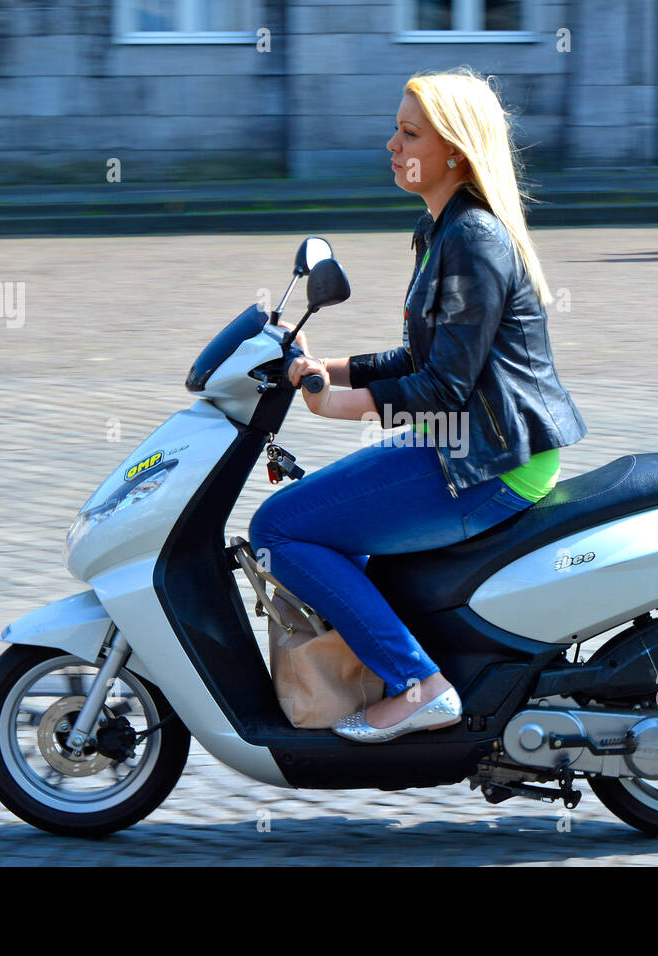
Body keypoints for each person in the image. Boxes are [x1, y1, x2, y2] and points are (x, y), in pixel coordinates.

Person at [249, 67, 588, 744]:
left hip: (487, 459)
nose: (391, 144)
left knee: (279, 530)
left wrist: (338, 406)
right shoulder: (443, 231)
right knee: (323, 520)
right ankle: (380, 668)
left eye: (409, 133)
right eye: (396, 130)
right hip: (471, 441)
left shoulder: (473, 242)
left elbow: (446, 389)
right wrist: (326, 368)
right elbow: (421, 360)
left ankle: (418, 684)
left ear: (456, 149)